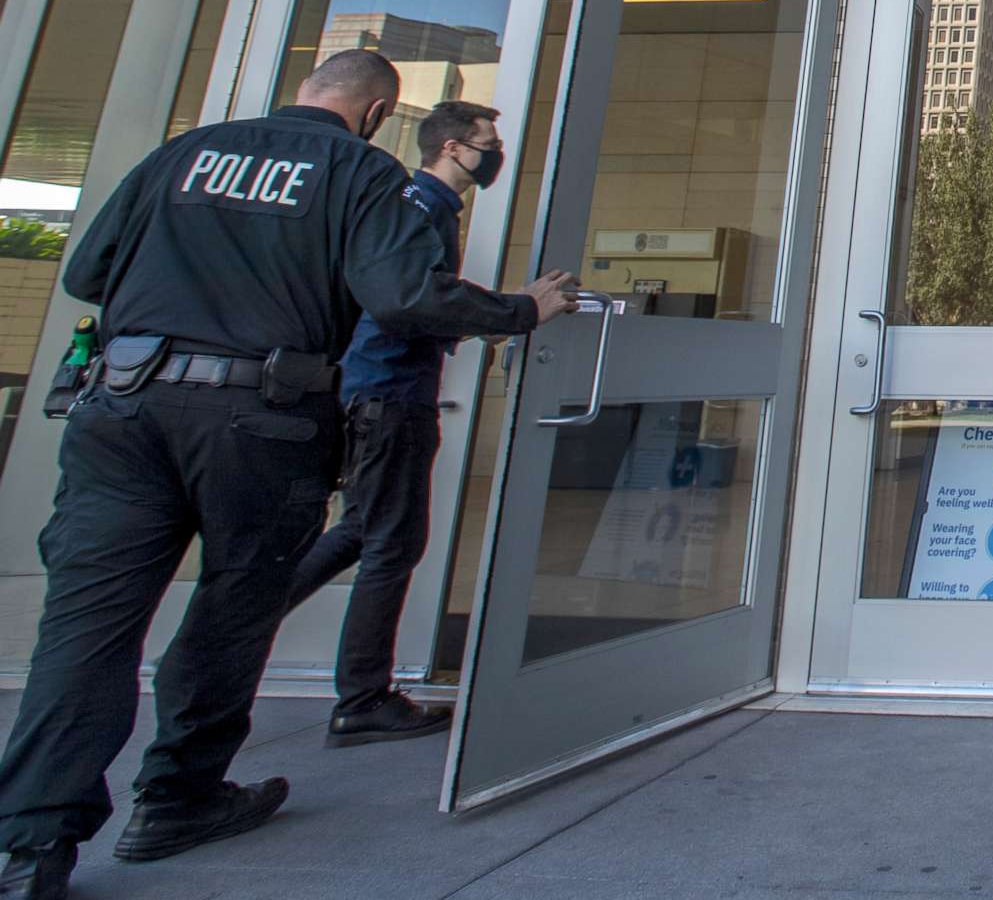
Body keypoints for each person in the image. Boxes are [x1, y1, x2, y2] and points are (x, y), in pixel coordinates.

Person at [0, 52, 576, 900]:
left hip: (123, 409)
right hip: (258, 418)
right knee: (233, 608)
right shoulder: (358, 171)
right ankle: (178, 797)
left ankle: (29, 849)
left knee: (85, 628)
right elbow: (403, 297)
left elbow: (87, 273)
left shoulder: (183, 154)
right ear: (379, 111)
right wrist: (520, 310)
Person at [281, 99, 509, 748]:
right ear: (451, 148)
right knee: (392, 544)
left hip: (378, 395)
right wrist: (515, 312)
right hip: (389, 399)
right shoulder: (421, 206)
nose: (494, 153)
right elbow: (409, 303)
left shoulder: (421, 207)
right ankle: (362, 699)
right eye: (487, 141)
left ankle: (243, 620)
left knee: (362, 529)